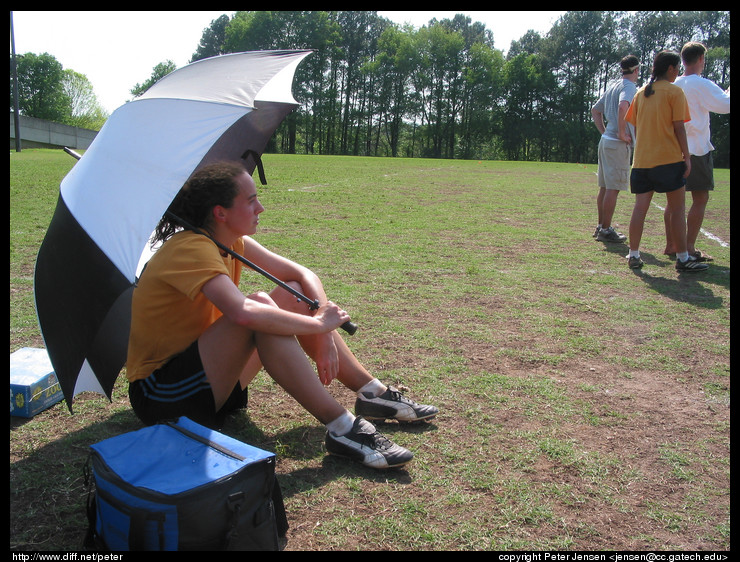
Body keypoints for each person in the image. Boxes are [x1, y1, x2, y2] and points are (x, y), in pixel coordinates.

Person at [126, 161, 439, 470]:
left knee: (290, 293)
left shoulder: (232, 241)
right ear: (220, 212)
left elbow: (301, 275)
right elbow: (243, 312)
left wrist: (325, 332)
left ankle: (373, 394)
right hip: (163, 398)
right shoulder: (190, 248)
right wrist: (318, 323)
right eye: (250, 201)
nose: (260, 208)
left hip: (211, 384)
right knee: (259, 306)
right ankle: (344, 428)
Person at [624, 50, 708, 272]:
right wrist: (687, 158)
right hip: (668, 161)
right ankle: (682, 257)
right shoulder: (674, 92)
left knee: (640, 208)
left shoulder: (640, 93)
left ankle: (633, 254)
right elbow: (679, 128)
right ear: (670, 69)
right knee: (678, 209)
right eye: (676, 69)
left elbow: (633, 124)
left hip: (641, 162)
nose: (677, 72)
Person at [663, 41, 730, 261]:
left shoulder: (673, 83)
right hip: (697, 150)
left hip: (673, 149)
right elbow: (725, 105)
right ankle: (689, 247)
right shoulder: (701, 84)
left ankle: (672, 244)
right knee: (699, 199)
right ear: (700, 59)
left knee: (673, 201)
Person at [591, 55, 640, 243]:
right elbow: (623, 106)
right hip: (617, 144)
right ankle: (605, 229)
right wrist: (621, 132)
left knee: (604, 187)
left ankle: (601, 226)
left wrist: (604, 132)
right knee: (613, 188)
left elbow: (596, 110)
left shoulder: (613, 85)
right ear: (636, 70)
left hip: (606, 141)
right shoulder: (629, 87)